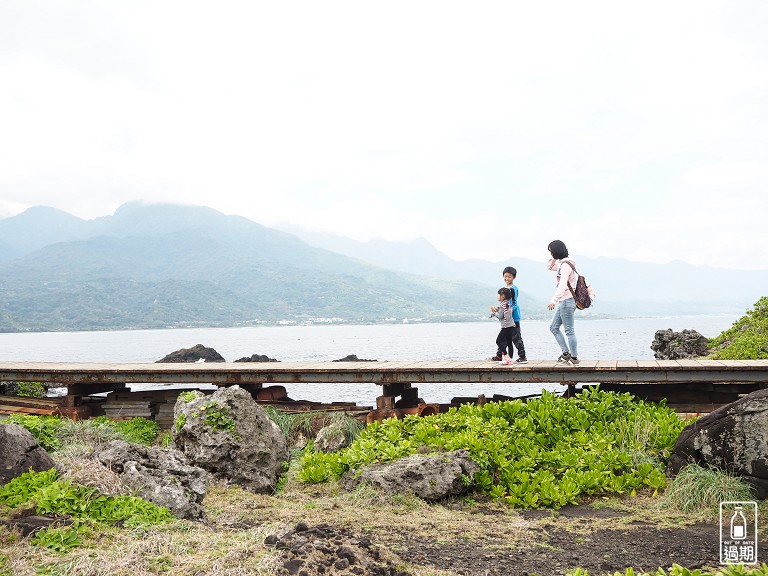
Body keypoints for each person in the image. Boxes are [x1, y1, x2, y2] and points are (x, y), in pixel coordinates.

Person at [547, 240, 580, 366]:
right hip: (564, 301)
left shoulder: (566, 265)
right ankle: (566, 353)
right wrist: (553, 257)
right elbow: (550, 267)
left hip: (566, 300)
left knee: (569, 330)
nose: (551, 253)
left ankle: (574, 357)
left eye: (552, 251)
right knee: (553, 327)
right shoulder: (562, 263)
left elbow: (562, 284)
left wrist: (553, 300)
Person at [490, 266, 527, 363]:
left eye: (509, 277)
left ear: (514, 277)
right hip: (506, 319)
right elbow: (504, 303)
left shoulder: (514, 288)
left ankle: (522, 356)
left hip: (513, 318)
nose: (507, 278)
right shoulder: (505, 289)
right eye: (505, 276)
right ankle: (499, 355)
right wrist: (497, 309)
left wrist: (509, 311)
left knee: (516, 337)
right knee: (504, 338)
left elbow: (513, 303)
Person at [490, 287, 516, 365]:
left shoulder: (502, 305)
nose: (497, 296)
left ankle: (506, 356)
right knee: (509, 343)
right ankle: (510, 359)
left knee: (498, 341)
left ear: (503, 296)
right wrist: (496, 310)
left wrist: (494, 313)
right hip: (511, 326)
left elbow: (500, 316)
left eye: (498, 294)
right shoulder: (507, 303)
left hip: (505, 327)